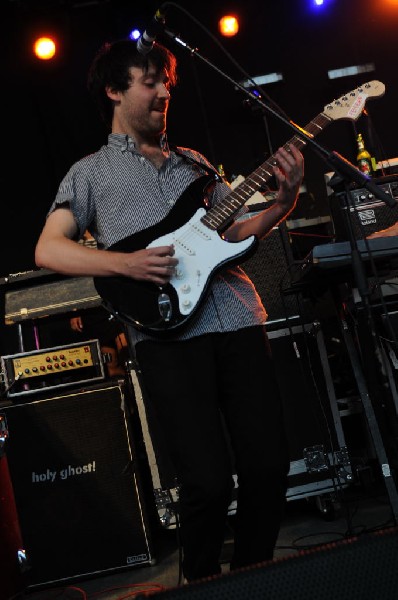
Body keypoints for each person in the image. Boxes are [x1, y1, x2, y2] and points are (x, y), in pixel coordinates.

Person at [34, 39, 304, 582]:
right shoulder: (89, 174)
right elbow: (49, 249)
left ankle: (254, 575)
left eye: (169, 84)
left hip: (235, 315)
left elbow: (236, 233)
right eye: (150, 82)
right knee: (206, 480)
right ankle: (200, 582)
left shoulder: (195, 165)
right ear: (114, 91)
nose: (164, 93)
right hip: (167, 336)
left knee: (269, 465)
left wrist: (282, 203)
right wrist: (127, 265)